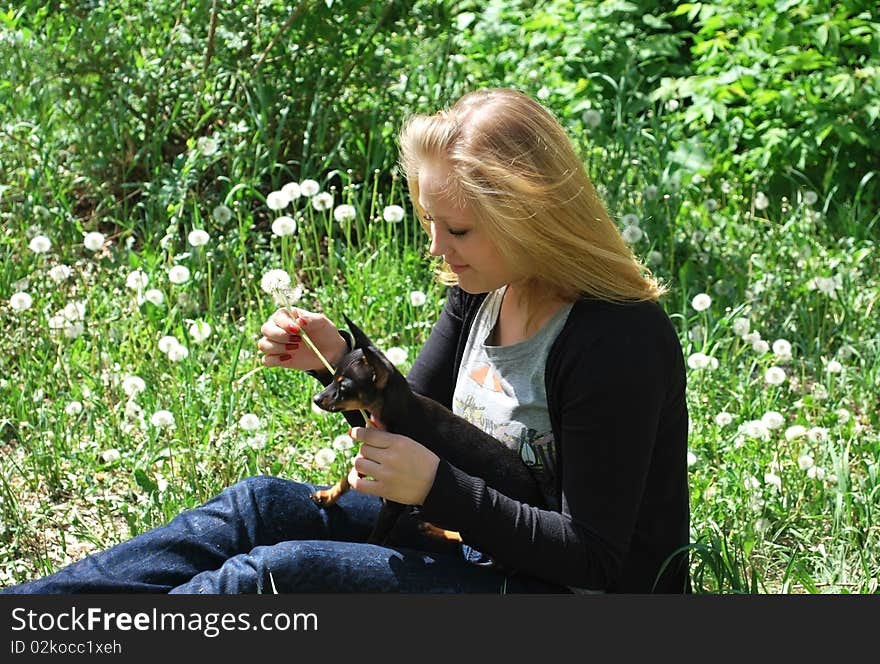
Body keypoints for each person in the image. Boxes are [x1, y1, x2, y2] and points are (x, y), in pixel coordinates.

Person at [2, 87, 690, 594]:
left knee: (273, 581)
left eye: (458, 230)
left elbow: (599, 559)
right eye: (429, 221)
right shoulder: (486, 286)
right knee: (258, 505)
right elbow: (412, 419)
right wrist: (337, 360)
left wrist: (440, 490)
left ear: (532, 218)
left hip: (568, 595)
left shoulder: (615, 339)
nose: (438, 248)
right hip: (474, 547)